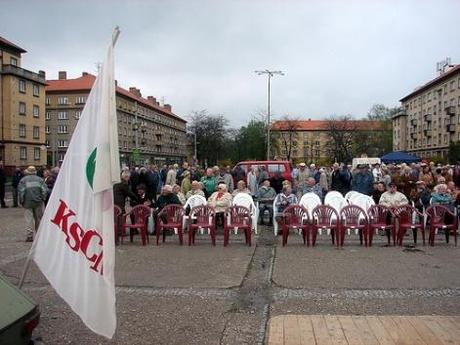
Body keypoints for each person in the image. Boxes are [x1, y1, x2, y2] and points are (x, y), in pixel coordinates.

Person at [18, 166, 48, 242]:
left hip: (27, 202)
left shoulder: (23, 180)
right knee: (38, 219)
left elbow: (21, 192)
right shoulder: (40, 180)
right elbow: (45, 190)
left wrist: (21, 201)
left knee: (29, 219)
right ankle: (39, 235)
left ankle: (30, 236)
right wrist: (42, 198)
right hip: (38, 202)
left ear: (27, 172)